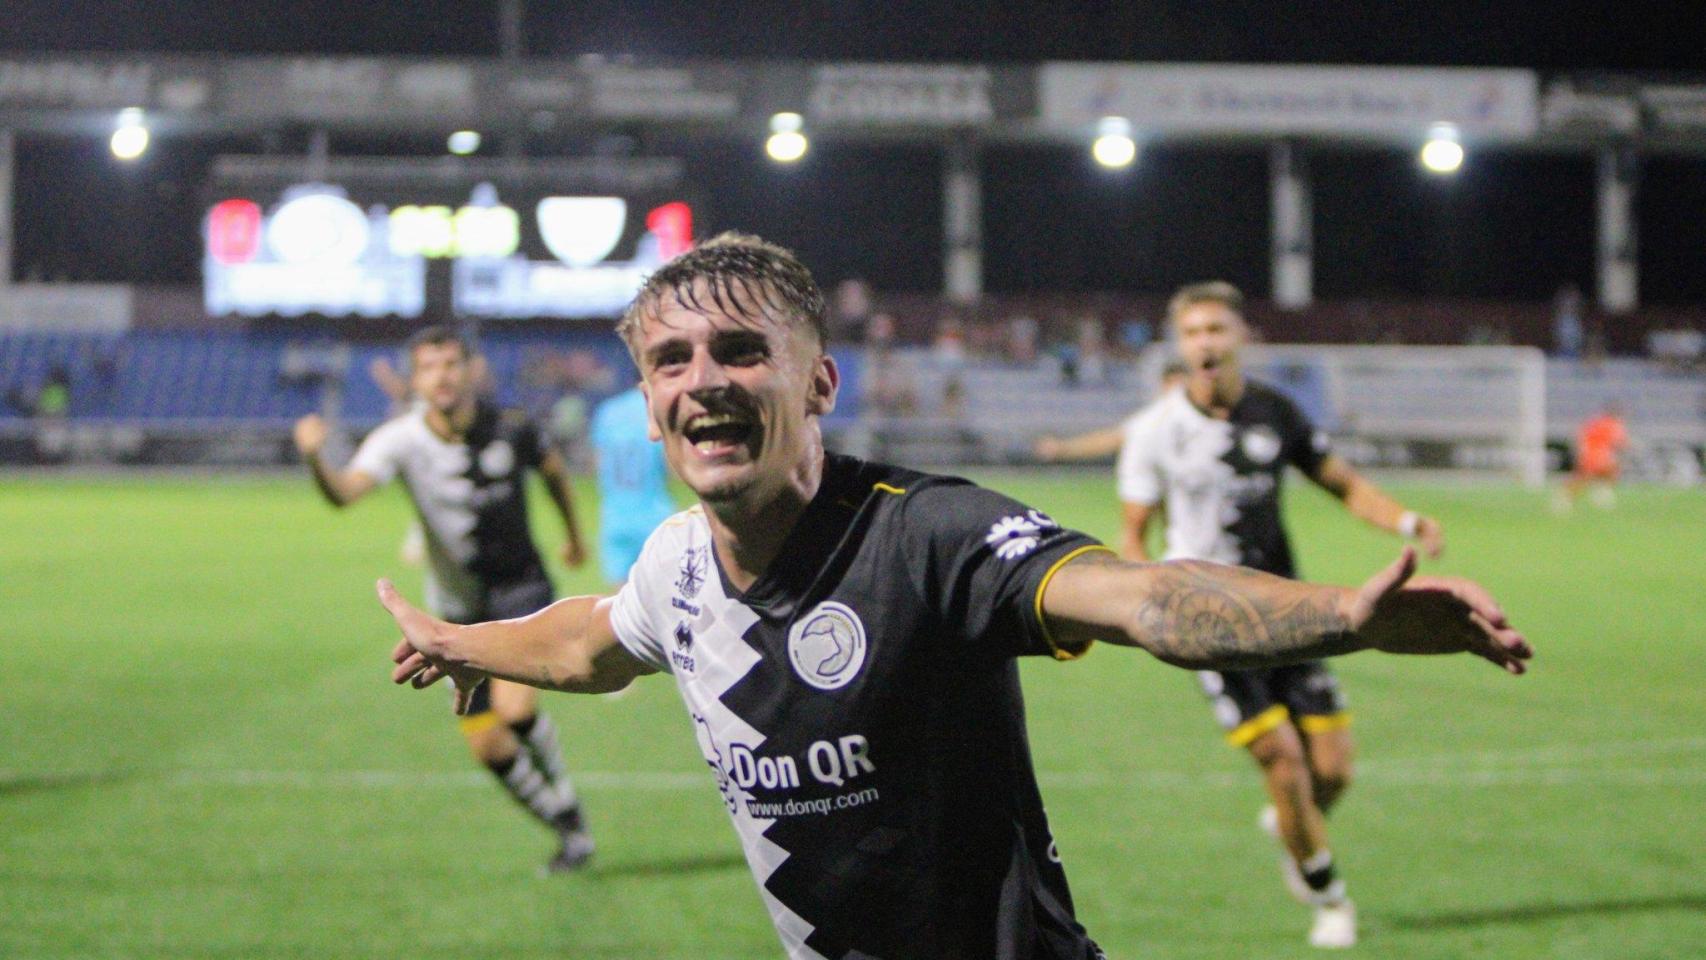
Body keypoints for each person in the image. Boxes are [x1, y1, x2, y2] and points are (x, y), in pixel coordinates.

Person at [377, 235, 1530, 960]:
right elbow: (591, 640)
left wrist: (1342, 615)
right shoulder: (676, 565)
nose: (703, 382)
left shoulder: (928, 531)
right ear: (644, 402)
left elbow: (1145, 596)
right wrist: (463, 638)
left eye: (739, 350)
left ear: (816, 381)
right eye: (670, 361)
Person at [1114, 281, 1447, 948]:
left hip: (1290, 612)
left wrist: (1407, 520)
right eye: (1193, 333)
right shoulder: (1153, 433)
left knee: (1334, 770)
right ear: (1180, 345)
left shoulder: (1276, 413)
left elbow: (1344, 484)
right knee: (1284, 761)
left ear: (1241, 337)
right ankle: (1329, 897)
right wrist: (1140, 614)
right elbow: (1133, 537)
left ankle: (1294, 827)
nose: (1205, 343)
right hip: (1206, 620)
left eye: (1216, 329)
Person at [294, 326, 597, 872]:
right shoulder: (400, 440)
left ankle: (566, 803)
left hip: (522, 589)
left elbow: (552, 471)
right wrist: (317, 461)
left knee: (514, 706)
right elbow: (345, 495)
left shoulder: (512, 426)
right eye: (429, 367)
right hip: (455, 607)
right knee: (487, 745)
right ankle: (567, 821)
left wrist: (574, 535)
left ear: (472, 371)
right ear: (415, 380)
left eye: (452, 363)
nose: (442, 376)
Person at [587, 384, 678, 585]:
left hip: (616, 518)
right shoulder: (656, 409)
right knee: (664, 601)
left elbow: (598, 463)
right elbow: (671, 466)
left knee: (622, 606)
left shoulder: (608, 411)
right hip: (655, 518)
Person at [1034, 360, 1188, 464]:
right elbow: (1113, 439)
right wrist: (1064, 448)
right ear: (1163, 386)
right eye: (1173, 385)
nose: (1177, 393)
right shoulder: (1155, 419)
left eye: (1182, 385)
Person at [1557, 401, 1629, 512]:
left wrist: (1581, 450)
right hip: (1599, 454)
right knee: (1589, 477)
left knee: (1597, 475)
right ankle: (1566, 498)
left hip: (1589, 453)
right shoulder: (1613, 424)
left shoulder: (1595, 422)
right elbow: (1620, 442)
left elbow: (1581, 435)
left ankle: (1596, 492)